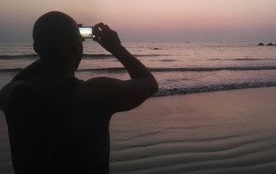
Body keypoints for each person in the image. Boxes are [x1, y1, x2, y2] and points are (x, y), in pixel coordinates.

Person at [0, 11, 158, 174]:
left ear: (36, 48)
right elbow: (149, 83)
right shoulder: (92, 94)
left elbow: (19, 80)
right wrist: (116, 48)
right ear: (78, 46)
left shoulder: (10, 95)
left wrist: (49, 49)